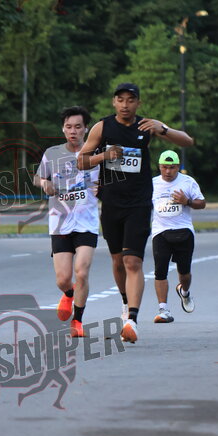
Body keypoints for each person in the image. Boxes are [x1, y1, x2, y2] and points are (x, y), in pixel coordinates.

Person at [77, 82, 193, 343]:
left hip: (138, 204)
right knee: (118, 261)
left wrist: (163, 129)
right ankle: (125, 301)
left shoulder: (146, 126)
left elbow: (187, 141)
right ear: (114, 102)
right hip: (111, 203)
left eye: (131, 100)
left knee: (133, 261)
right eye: (120, 99)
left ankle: (132, 319)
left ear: (138, 103)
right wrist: (104, 156)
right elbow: (81, 161)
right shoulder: (103, 127)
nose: (125, 104)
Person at [35, 106, 99, 338]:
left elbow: (111, 181)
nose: (73, 131)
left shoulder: (97, 155)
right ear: (63, 129)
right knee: (63, 279)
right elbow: (38, 177)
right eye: (69, 127)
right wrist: (45, 183)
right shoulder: (52, 153)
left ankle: (78, 321)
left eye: (78, 127)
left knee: (81, 272)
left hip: (87, 222)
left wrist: (103, 189)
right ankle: (69, 294)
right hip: (60, 223)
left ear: (86, 129)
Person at [151, 150, 205, 323]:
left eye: (172, 167)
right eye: (164, 167)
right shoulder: (152, 184)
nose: (168, 171)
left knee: (184, 273)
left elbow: (202, 203)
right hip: (160, 232)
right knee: (160, 271)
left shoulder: (188, 182)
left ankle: (184, 292)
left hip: (183, 231)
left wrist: (187, 201)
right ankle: (163, 309)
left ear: (178, 167)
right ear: (159, 167)